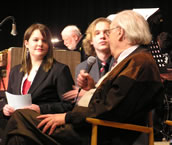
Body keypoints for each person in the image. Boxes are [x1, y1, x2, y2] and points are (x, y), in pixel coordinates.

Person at [3, 10, 164, 145]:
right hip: (91, 126)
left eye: (109, 32)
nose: (107, 38)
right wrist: (93, 88)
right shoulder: (134, 60)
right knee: (19, 136)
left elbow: (110, 108)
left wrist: (66, 117)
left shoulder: (138, 62)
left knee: (20, 117)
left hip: (96, 132)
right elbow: (114, 101)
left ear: (120, 33)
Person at [1, 23, 74, 142]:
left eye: (44, 41)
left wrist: (40, 109)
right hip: (19, 127)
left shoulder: (60, 70)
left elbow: (69, 106)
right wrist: (5, 108)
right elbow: (7, 99)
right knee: (18, 137)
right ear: (26, 44)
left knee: (17, 132)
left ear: (49, 45)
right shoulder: (15, 71)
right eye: (35, 40)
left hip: (43, 126)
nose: (40, 44)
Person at [63, 17, 114, 101]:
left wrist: (90, 94)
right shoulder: (82, 68)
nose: (102, 36)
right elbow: (79, 102)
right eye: (97, 33)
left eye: (107, 32)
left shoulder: (122, 63)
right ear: (91, 40)